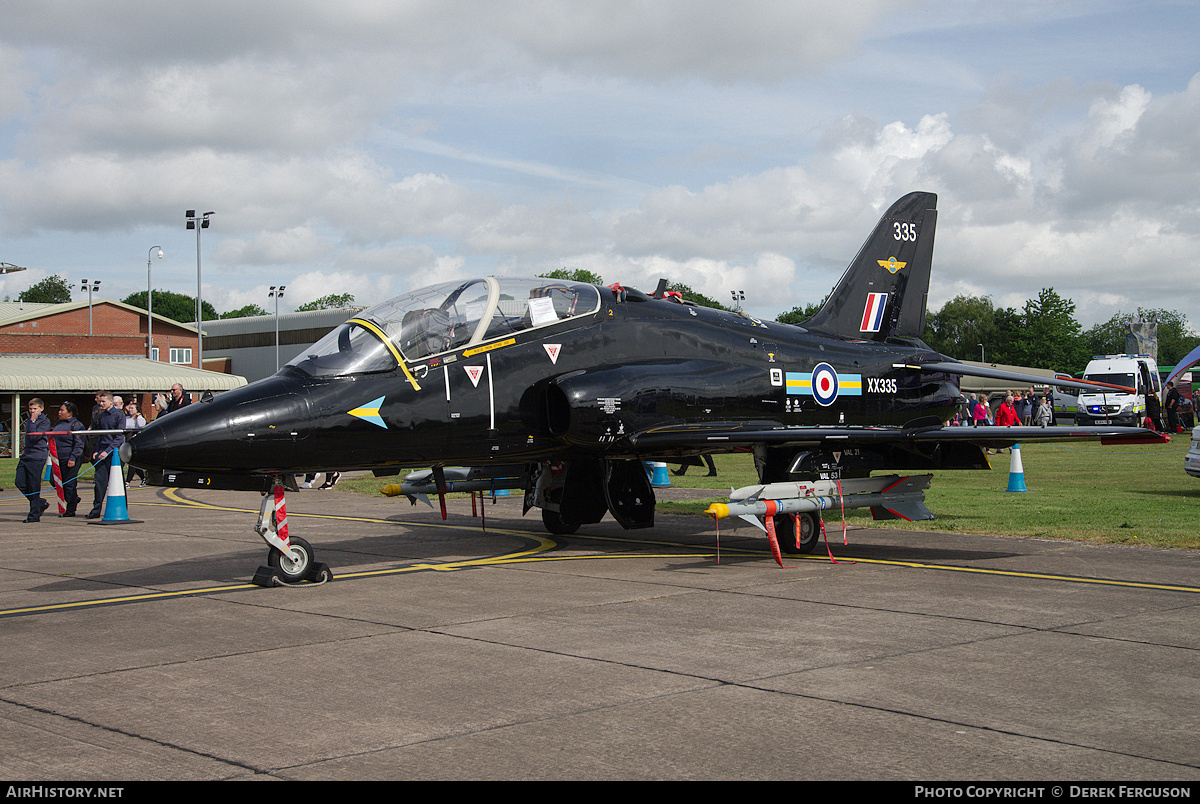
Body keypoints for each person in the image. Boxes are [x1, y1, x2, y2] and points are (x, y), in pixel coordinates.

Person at [87, 391, 125, 519]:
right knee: (99, 482)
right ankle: (96, 509)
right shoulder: (101, 416)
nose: (101, 404)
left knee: (117, 482)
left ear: (110, 401)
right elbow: (101, 435)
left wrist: (107, 451)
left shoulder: (119, 415)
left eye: (103, 401)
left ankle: (122, 508)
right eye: (100, 401)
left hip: (114, 453)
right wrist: (97, 450)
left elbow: (119, 437)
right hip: (102, 451)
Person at [15, 398, 51, 522]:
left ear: (41, 409)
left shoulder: (44, 422)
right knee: (20, 482)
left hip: (37, 456)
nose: (32, 411)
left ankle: (34, 515)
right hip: (27, 455)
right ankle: (39, 503)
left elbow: (34, 436)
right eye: (30, 409)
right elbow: (28, 436)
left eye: (35, 409)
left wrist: (34, 420)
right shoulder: (30, 421)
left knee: (34, 485)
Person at [53, 402, 87, 516]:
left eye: (62, 410)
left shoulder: (76, 425)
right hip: (58, 459)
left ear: (70, 413)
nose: (59, 412)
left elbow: (79, 444)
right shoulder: (59, 424)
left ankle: (71, 509)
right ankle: (74, 498)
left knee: (69, 483)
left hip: (71, 458)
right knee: (55, 481)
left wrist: (73, 458)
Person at [123, 400, 147, 486]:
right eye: (129, 408)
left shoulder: (140, 419)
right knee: (132, 462)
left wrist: (139, 416)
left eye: (132, 408)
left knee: (131, 461)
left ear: (137, 410)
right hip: (127, 441)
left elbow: (141, 425)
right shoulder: (126, 419)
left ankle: (127, 481)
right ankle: (143, 478)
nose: (130, 410)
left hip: (135, 442)